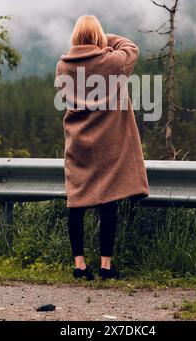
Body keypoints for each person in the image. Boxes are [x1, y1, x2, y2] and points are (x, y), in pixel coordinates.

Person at [56, 15, 150, 281]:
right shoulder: (112, 62)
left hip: (78, 143)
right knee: (109, 204)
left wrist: (87, 43)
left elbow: (65, 97)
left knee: (76, 202)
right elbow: (131, 47)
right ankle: (106, 266)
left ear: (75, 38)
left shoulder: (63, 66)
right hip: (109, 145)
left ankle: (79, 265)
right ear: (97, 37)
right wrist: (104, 40)